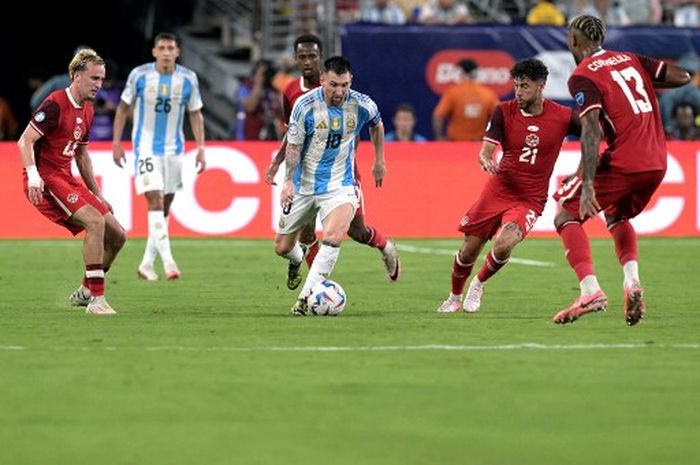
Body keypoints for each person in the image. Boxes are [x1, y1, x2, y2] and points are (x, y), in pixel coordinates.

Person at [551, 15, 690, 326]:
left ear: (573, 40)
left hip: (627, 161)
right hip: (658, 161)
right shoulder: (630, 59)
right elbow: (682, 77)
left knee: (565, 214)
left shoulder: (582, 75)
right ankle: (632, 282)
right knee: (617, 215)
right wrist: (640, 79)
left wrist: (587, 185)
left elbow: (590, 130)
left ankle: (590, 291)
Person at [436, 58, 581, 313]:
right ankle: (454, 297)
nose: (519, 91)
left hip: (530, 198)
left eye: (524, 86)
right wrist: (485, 159)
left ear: (541, 86)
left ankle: (478, 285)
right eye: (516, 85)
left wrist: (584, 169)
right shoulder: (503, 111)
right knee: (469, 250)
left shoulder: (563, 116)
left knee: (504, 244)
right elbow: (486, 150)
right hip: (499, 189)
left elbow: (594, 133)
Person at [265, 35, 400, 291]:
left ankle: (385, 247)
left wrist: (379, 160)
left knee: (356, 231)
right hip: (305, 176)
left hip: (342, 174)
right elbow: (291, 136)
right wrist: (279, 166)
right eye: (302, 57)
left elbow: (376, 124)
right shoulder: (294, 94)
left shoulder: (357, 101)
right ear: (295, 60)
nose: (307, 61)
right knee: (301, 237)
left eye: (312, 56)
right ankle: (313, 283)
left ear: (320, 60)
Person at [17, 48, 126, 315]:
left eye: (101, 79)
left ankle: (86, 289)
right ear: (77, 76)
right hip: (47, 179)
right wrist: (33, 174)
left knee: (118, 235)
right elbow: (25, 140)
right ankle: (97, 301)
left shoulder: (87, 109)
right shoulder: (55, 103)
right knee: (95, 222)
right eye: (94, 78)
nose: (99, 85)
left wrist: (97, 194)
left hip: (67, 177)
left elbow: (81, 155)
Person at [112, 32, 207, 281]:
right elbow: (123, 109)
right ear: (154, 51)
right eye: (162, 47)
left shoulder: (188, 78)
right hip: (145, 148)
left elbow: (196, 114)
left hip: (175, 150)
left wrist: (201, 148)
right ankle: (169, 262)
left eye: (171, 48)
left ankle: (145, 264)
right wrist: (116, 143)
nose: (166, 52)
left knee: (163, 209)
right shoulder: (139, 75)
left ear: (177, 52)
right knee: (154, 202)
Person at [433, 59, 500, 141]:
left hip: (456, 143)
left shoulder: (453, 92)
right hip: (479, 144)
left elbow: (438, 115)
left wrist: (439, 137)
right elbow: (499, 117)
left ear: (461, 73)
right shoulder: (488, 94)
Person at [234, 59, 283, 140]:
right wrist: (259, 82)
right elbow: (250, 107)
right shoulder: (246, 87)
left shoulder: (274, 91)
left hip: (268, 135)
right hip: (247, 135)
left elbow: (281, 113)